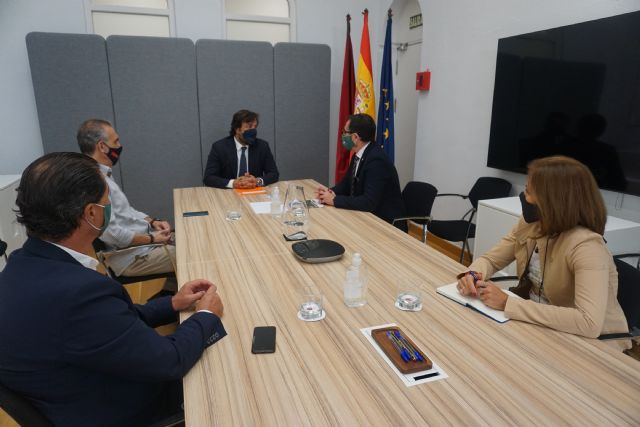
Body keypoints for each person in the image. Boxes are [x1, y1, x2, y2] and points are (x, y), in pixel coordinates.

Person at [0, 152, 226, 425]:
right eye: (107, 202)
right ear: (91, 213)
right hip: (126, 409)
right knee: (228, 366)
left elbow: (112, 327)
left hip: (72, 393)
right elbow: (170, 360)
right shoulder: (79, 294)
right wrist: (206, 316)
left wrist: (173, 304)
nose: (109, 208)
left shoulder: (20, 265)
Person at [456, 156, 628, 338]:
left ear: (552, 201)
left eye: (529, 192)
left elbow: (588, 323)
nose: (524, 197)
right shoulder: (531, 224)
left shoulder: (587, 247)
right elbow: (491, 259)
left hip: (586, 342)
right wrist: (473, 275)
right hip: (537, 325)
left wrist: (508, 303)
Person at [77, 119, 176, 289]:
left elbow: (126, 211)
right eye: (115, 141)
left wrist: (152, 221)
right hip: (132, 258)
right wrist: (152, 238)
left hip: (142, 247)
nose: (119, 145)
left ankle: (169, 296)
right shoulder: (94, 182)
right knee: (193, 254)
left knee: (189, 242)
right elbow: (112, 235)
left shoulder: (103, 173)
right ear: (102, 147)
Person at [316, 113, 406, 228]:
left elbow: (368, 202)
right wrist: (329, 193)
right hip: (366, 216)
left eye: (345, 132)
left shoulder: (377, 161)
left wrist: (334, 200)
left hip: (385, 224)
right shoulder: (359, 154)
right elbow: (346, 185)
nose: (342, 135)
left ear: (355, 137)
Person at [203, 109, 279, 189]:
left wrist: (257, 181)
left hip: (254, 192)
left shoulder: (262, 146)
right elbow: (208, 178)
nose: (253, 130)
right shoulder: (219, 147)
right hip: (228, 193)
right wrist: (233, 183)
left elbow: (274, 174)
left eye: (255, 127)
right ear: (237, 129)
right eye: (249, 126)